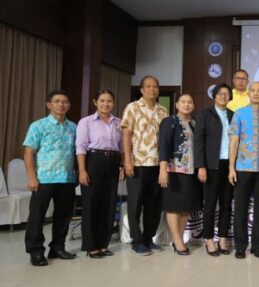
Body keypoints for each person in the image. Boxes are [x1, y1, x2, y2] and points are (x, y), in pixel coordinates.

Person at [23, 90, 78, 266]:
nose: (61, 104)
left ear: (69, 105)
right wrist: (32, 177)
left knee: (63, 216)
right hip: (44, 178)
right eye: (57, 101)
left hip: (67, 179)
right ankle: (36, 251)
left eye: (65, 101)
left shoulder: (74, 127)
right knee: (37, 216)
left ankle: (58, 247)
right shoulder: (38, 126)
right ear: (49, 105)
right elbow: (29, 153)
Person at [121, 76, 169, 256]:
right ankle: (137, 240)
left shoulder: (163, 111)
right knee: (135, 204)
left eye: (155, 86)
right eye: (148, 86)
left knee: (154, 205)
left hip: (158, 164)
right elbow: (126, 134)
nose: (152, 89)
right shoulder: (132, 108)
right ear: (141, 90)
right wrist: (127, 160)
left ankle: (149, 239)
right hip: (138, 163)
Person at [228, 82, 259, 259]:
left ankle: (257, 246)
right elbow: (234, 141)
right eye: (253, 91)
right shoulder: (240, 114)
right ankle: (240, 246)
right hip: (242, 168)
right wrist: (231, 168)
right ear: (249, 93)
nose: (256, 94)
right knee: (240, 207)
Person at [76, 89, 124, 258]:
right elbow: (81, 147)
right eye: (102, 100)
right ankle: (91, 246)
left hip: (113, 162)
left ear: (113, 103)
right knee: (91, 205)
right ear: (95, 102)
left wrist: (122, 166)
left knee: (109, 204)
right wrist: (82, 170)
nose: (106, 104)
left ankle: (104, 244)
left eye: (109, 101)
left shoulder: (118, 122)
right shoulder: (86, 122)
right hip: (93, 162)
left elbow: (122, 147)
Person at [158, 94, 202, 255]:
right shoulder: (170, 121)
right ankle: (177, 241)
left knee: (186, 208)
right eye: (183, 102)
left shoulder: (195, 123)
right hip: (174, 170)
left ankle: (179, 239)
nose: (187, 104)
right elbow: (163, 145)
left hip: (191, 171)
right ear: (177, 104)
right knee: (174, 207)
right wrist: (163, 169)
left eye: (190, 102)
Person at [195, 83, 234, 256]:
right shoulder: (205, 114)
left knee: (226, 205)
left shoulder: (234, 115)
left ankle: (223, 238)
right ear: (214, 95)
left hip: (229, 165)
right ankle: (209, 239)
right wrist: (201, 166)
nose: (223, 96)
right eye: (220, 93)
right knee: (210, 204)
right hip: (211, 165)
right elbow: (199, 141)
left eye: (226, 94)